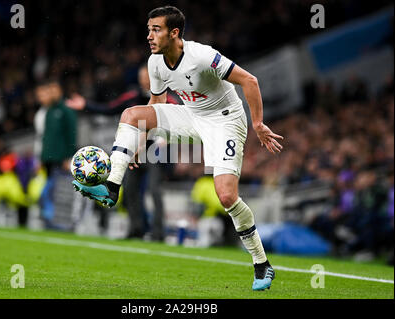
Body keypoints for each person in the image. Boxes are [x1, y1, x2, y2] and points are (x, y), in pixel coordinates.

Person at [72, 6, 283, 291]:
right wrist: (139, 144)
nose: (149, 35)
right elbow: (157, 106)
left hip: (225, 122)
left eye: (155, 29)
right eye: (148, 29)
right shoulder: (155, 62)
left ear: (174, 33)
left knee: (226, 196)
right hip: (191, 117)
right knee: (131, 116)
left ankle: (261, 264)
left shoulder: (202, 56)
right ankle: (111, 188)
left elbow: (250, 80)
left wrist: (257, 123)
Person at [66, 65, 177, 241]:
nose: (143, 80)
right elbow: (110, 108)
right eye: (141, 77)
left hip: (156, 154)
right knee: (130, 191)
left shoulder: (168, 100)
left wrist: (165, 139)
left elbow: (178, 122)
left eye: (146, 77)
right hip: (133, 154)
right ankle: (136, 229)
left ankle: (158, 233)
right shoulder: (132, 97)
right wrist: (86, 105)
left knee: (155, 191)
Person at [35, 79, 77, 229]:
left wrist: (69, 157)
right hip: (48, 158)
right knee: (51, 190)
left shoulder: (66, 110)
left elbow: (72, 134)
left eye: (54, 90)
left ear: (60, 91)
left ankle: (58, 220)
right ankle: (50, 220)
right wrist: (41, 157)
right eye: (50, 90)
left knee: (57, 191)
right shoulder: (49, 111)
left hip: (60, 158)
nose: (52, 93)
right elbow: (45, 137)